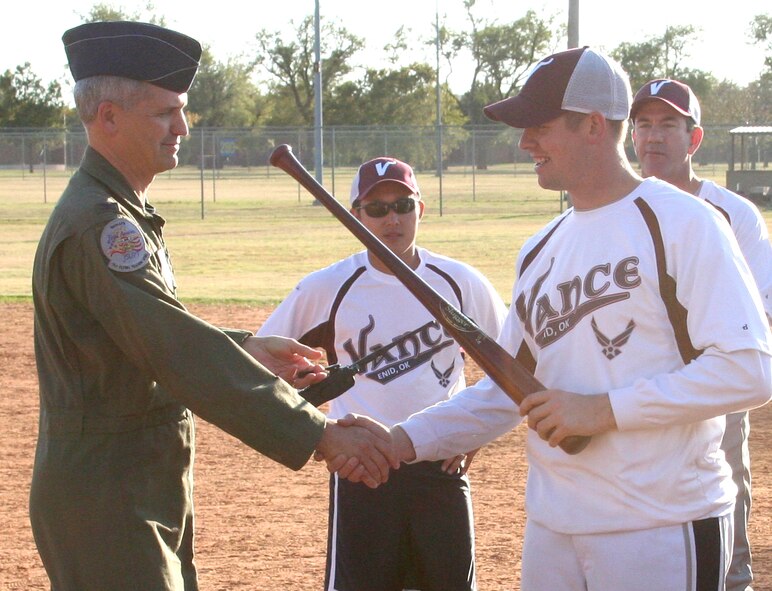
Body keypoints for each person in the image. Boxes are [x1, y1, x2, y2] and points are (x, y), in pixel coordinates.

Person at [337, 47, 772, 589]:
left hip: (659, 523)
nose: (525, 143)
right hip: (553, 527)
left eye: (539, 126)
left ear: (593, 125)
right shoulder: (540, 249)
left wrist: (604, 411)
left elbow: (749, 370)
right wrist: (401, 440)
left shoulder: (684, 223)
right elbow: (505, 391)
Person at [30, 21, 396, 590]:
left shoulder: (118, 210)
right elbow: (172, 350)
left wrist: (246, 347)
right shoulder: (101, 224)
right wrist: (316, 432)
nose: (182, 126)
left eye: (182, 110)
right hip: (110, 493)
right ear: (107, 117)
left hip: (134, 480)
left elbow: (145, 334)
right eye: (164, 112)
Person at [257, 156, 508, 591]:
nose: (392, 218)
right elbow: (259, 361)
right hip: (363, 466)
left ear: (421, 211)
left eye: (403, 205)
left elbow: (509, 368)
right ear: (355, 217)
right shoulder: (329, 287)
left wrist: (474, 433)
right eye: (376, 209)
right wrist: (315, 424)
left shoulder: (459, 283)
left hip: (440, 465)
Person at [630, 78, 772, 591]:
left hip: (713, 387)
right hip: (635, 384)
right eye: (643, 124)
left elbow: (760, 311)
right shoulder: (617, 210)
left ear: (694, 139)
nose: (654, 136)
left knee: (724, 489)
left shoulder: (734, 214)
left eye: (669, 124)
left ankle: (733, 581)